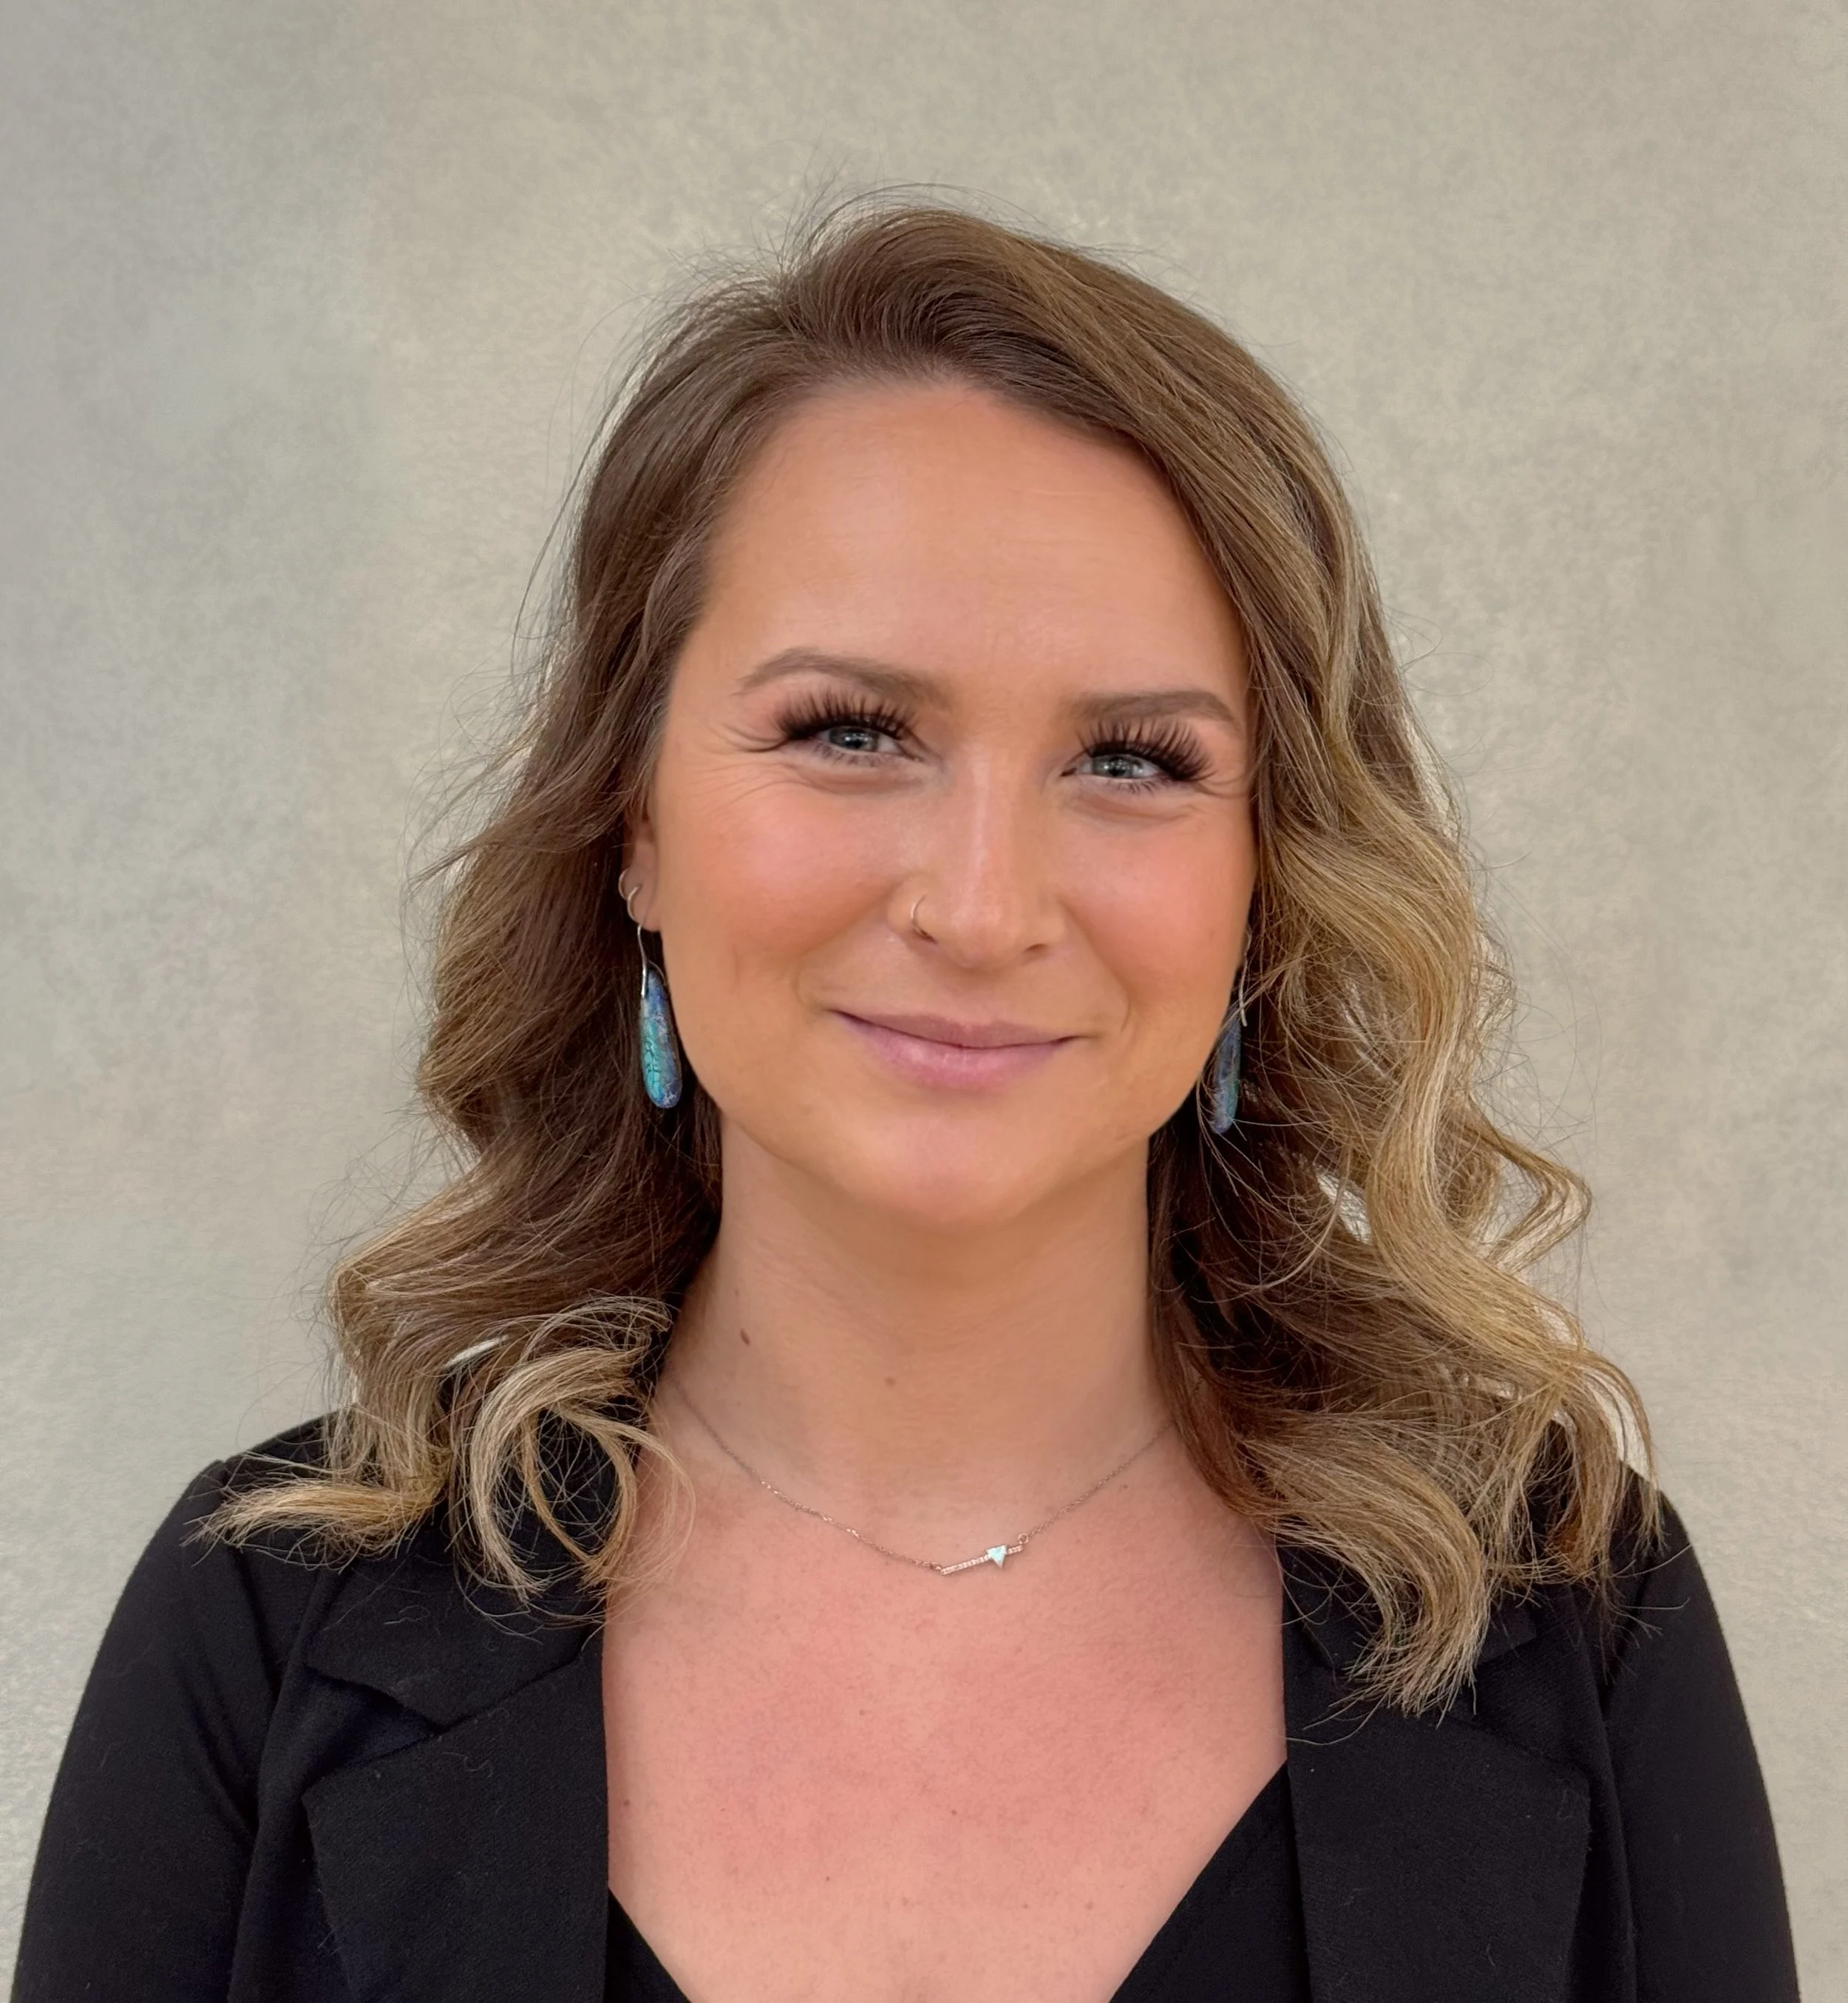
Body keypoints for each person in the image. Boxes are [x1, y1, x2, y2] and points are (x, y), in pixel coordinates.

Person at [13, 200, 1798, 2003]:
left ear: (1266, 877)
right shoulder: (263, 1636)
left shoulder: (1570, 1623)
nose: (978, 902)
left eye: (1130, 760)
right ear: (629, 822)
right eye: (850, 729)